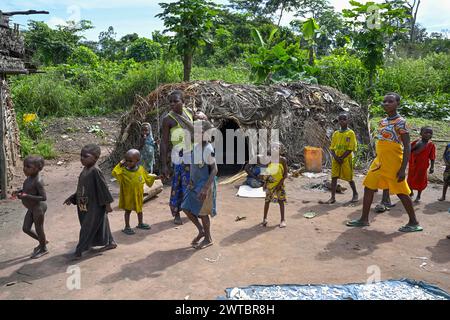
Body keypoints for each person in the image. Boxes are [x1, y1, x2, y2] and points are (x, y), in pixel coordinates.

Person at [346, 93, 422, 232]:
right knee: (369, 185)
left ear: (397, 103)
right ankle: (364, 219)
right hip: (380, 160)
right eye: (384, 101)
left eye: (390, 101)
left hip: (393, 161)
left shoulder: (401, 122)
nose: (386, 103)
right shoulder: (382, 122)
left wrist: (403, 168)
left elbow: (407, 146)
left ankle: (414, 222)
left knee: (401, 191)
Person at [64, 144, 116, 260]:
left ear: (96, 158)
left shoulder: (95, 171)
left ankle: (79, 251)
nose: (82, 158)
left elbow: (103, 188)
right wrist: (72, 198)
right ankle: (110, 242)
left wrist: (107, 205)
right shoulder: (85, 170)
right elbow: (82, 188)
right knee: (101, 223)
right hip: (84, 204)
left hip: (95, 206)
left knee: (87, 227)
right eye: (81, 156)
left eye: (86, 156)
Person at [181, 120, 218, 249]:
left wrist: (206, 188)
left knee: (203, 213)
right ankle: (201, 230)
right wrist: (191, 180)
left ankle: (208, 238)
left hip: (204, 185)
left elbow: (214, 169)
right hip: (194, 184)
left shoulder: (208, 149)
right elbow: (194, 166)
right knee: (185, 207)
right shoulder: (196, 147)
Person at [161, 90, 194, 225]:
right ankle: (177, 213)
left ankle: (192, 210)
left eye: (176, 101)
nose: (173, 104)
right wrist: (164, 164)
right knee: (178, 185)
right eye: (171, 102)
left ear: (183, 102)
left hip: (193, 155)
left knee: (192, 184)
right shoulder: (168, 119)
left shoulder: (189, 113)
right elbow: (164, 142)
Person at [112, 149, 157, 235]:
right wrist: (120, 164)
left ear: (137, 160)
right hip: (128, 196)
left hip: (138, 195)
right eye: (127, 160)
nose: (128, 163)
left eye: (131, 161)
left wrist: (157, 177)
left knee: (139, 210)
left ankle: (140, 223)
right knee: (127, 211)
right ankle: (127, 227)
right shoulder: (123, 171)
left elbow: (148, 177)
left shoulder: (141, 169)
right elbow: (114, 172)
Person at [320, 113, 358, 204]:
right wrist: (336, 157)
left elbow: (351, 148)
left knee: (349, 177)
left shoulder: (350, 133)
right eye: (340, 119)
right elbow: (332, 147)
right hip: (336, 159)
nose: (342, 121)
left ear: (347, 120)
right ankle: (332, 197)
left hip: (346, 159)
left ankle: (355, 194)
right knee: (334, 177)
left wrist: (342, 158)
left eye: (344, 119)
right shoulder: (336, 133)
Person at [14, 156, 48, 259]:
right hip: (32, 208)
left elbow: (43, 197)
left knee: (39, 229)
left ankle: (43, 248)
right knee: (26, 228)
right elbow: (27, 190)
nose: (24, 168)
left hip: (38, 208)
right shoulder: (29, 179)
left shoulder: (38, 181)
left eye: (28, 167)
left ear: (37, 168)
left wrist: (26, 196)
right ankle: (43, 242)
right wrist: (20, 192)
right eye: (24, 166)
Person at [261, 143, 288, 228]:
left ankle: (282, 220)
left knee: (281, 201)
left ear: (280, 149)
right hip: (270, 184)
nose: (275, 149)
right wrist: (264, 183)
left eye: (277, 148)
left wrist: (280, 184)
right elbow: (265, 172)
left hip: (279, 184)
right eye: (273, 148)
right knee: (267, 201)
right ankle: (264, 218)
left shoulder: (283, 160)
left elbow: (285, 174)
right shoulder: (268, 160)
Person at [407, 126, 436, 203]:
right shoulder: (416, 142)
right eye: (426, 132)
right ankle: (411, 192)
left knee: (420, 180)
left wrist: (432, 167)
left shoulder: (431, 145)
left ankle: (419, 195)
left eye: (430, 133)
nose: (428, 134)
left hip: (422, 166)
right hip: (413, 165)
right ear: (421, 133)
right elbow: (408, 151)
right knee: (410, 179)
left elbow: (432, 157)